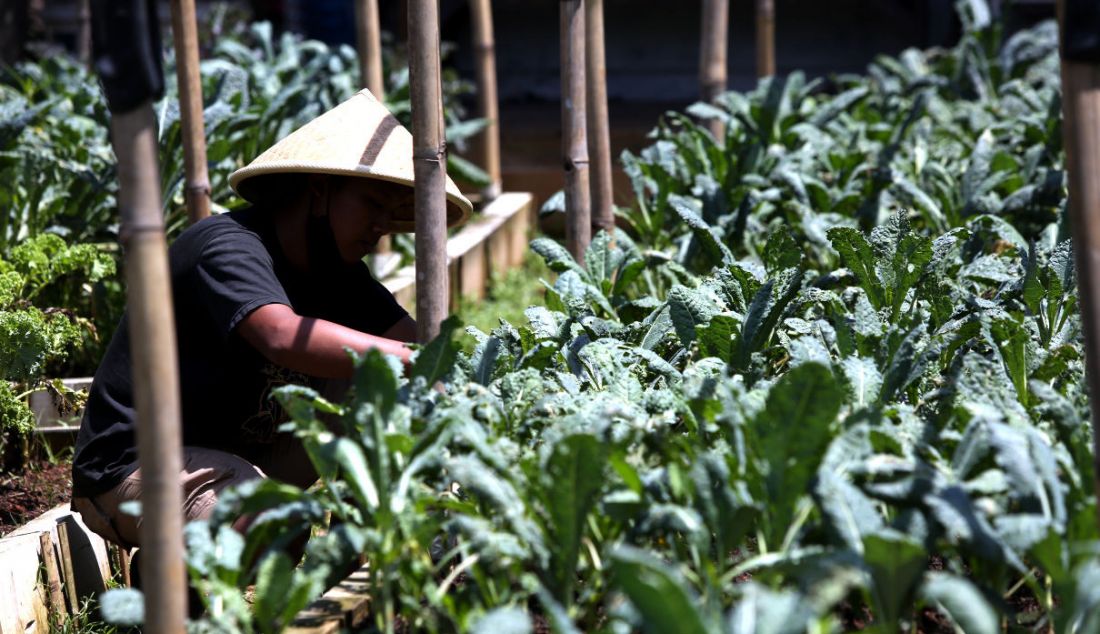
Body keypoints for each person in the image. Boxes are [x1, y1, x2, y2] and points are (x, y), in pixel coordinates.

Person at [70, 89, 472, 549]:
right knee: (277, 523)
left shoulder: (340, 275)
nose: (382, 225)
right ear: (320, 188)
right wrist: (407, 358)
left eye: (391, 211)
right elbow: (280, 335)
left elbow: (423, 350)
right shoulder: (228, 246)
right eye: (371, 204)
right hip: (135, 463)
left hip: (236, 454)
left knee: (375, 383)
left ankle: (359, 548)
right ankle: (171, 592)